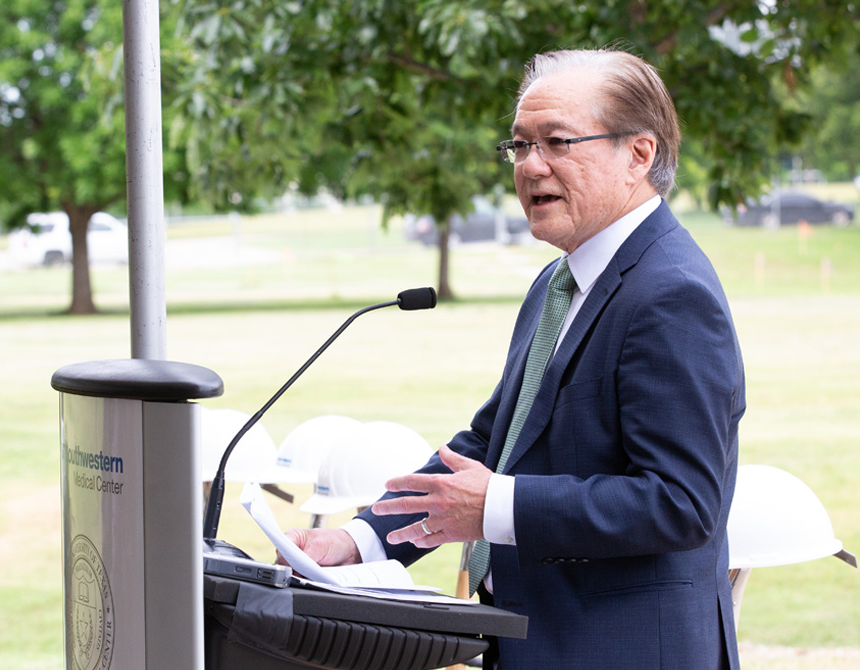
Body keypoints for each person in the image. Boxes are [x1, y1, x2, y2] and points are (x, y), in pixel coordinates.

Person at [283, 48, 745, 669]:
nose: (531, 166)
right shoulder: (559, 283)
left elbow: (681, 503)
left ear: (639, 154)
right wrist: (360, 539)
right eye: (519, 145)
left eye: (556, 142)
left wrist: (498, 507)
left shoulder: (671, 294)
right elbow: (491, 442)